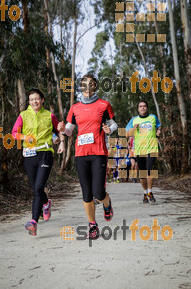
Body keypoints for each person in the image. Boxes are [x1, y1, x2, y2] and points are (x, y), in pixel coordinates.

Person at [58, 74, 118, 239]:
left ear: (95, 86)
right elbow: (69, 131)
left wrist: (109, 130)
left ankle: (107, 203)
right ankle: (92, 225)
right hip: (81, 154)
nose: (87, 86)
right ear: (81, 86)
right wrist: (63, 129)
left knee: (98, 193)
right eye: (84, 84)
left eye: (91, 83)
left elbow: (114, 123)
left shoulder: (104, 105)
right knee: (86, 193)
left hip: (98, 153)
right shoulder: (75, 108)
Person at [12, 89, 65, 236]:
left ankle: (34, 222)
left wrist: (60, 142)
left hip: (45, 153)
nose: (34, 101)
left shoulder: (49, 115)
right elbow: (14, 133)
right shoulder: (23, 115)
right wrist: (25, 137)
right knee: (36, 187)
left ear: (42, 100)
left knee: (38, 188)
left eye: (37, 99)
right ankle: (46, 203)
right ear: (29, 102)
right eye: (31, 99)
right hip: (29, 155)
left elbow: (59, 130)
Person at [126, 100, 161, 204]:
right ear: (138, 109)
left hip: (152, 148)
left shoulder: (153, 117)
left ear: (147, 108)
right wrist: (133, 128)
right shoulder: (133, 120)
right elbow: (127, 134)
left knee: (150, 171)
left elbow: (158, 125)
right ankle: (145, 193)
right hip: (139, 150)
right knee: (142, 174)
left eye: (144, 106)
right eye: (140, 106)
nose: (142, 108)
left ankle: (150, 193)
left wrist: (159, 130)